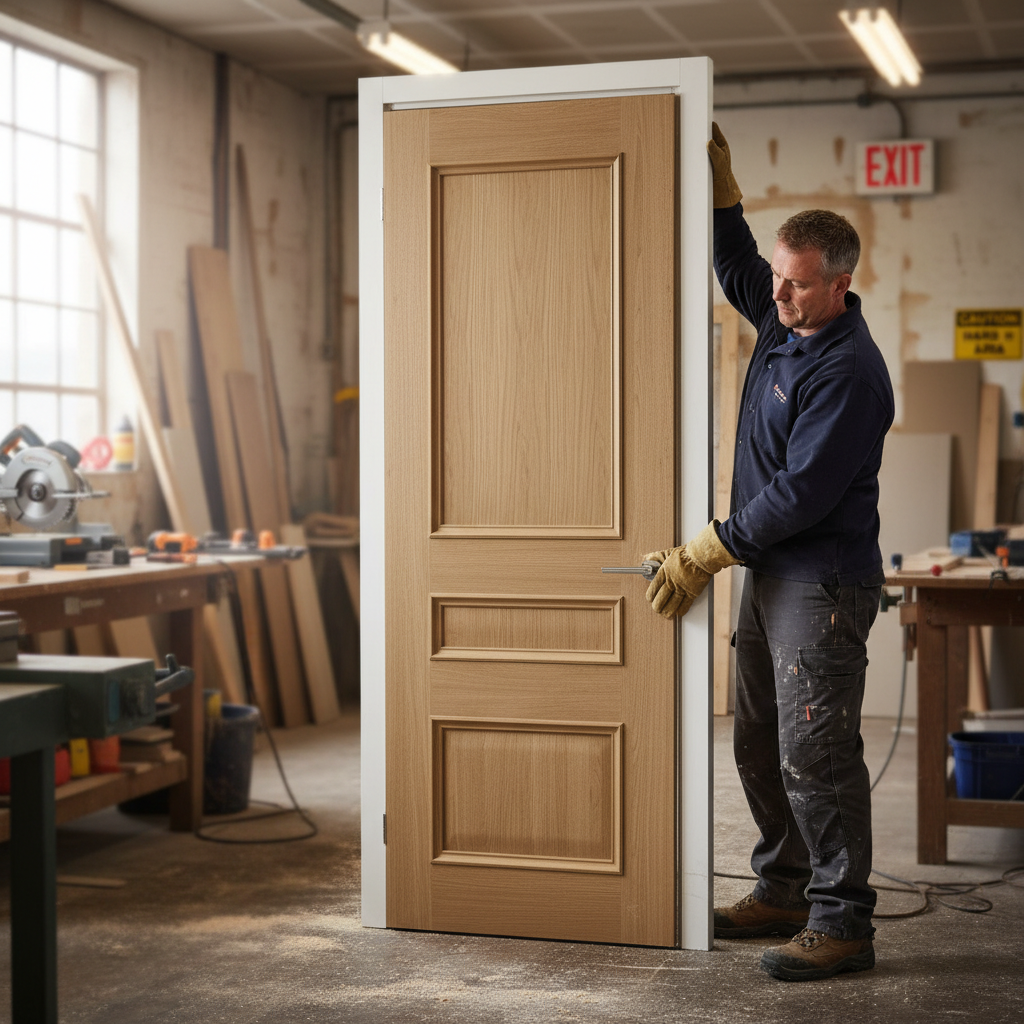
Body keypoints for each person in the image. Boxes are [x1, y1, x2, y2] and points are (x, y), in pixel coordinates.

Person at [644, 123, 894, 981]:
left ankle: (842, 922)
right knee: (757, 738)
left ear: (839, 284)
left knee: (815, 753)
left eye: (796, 286)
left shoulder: (848, 373)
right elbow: (735, 265)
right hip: (771, 578)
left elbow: (802, 495)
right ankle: (783, 887)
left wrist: (709, 548)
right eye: (779, 282)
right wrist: (723, 190)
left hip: (820, 584)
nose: (777, 297)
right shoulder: (787, 323)